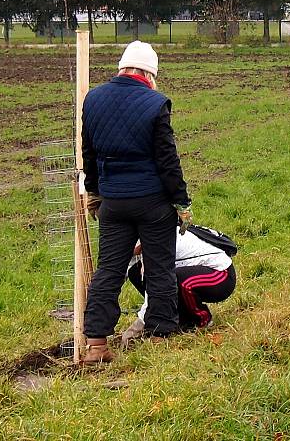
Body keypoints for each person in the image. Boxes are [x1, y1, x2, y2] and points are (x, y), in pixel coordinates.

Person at [81, 40, 192, 364]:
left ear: (122, 66)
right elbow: (167, 160)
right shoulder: (155, 103)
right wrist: (181, 202)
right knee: (159, 268)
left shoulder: (94, 99)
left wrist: (94, 192)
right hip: (152, 203)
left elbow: (89, 153)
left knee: (109, 270)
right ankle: (159, 335)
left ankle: (97, 344)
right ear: (150, 72)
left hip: (113, 202)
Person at [121, 225, 236, 345]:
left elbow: (155, 287)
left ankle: (202, 320)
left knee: (176, 279)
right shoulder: (145, 239)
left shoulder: (157, 241)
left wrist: (138, 326)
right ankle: (179, 319)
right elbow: (119, 271)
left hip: (221, 275)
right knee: (135, 271)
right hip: (191, 270)